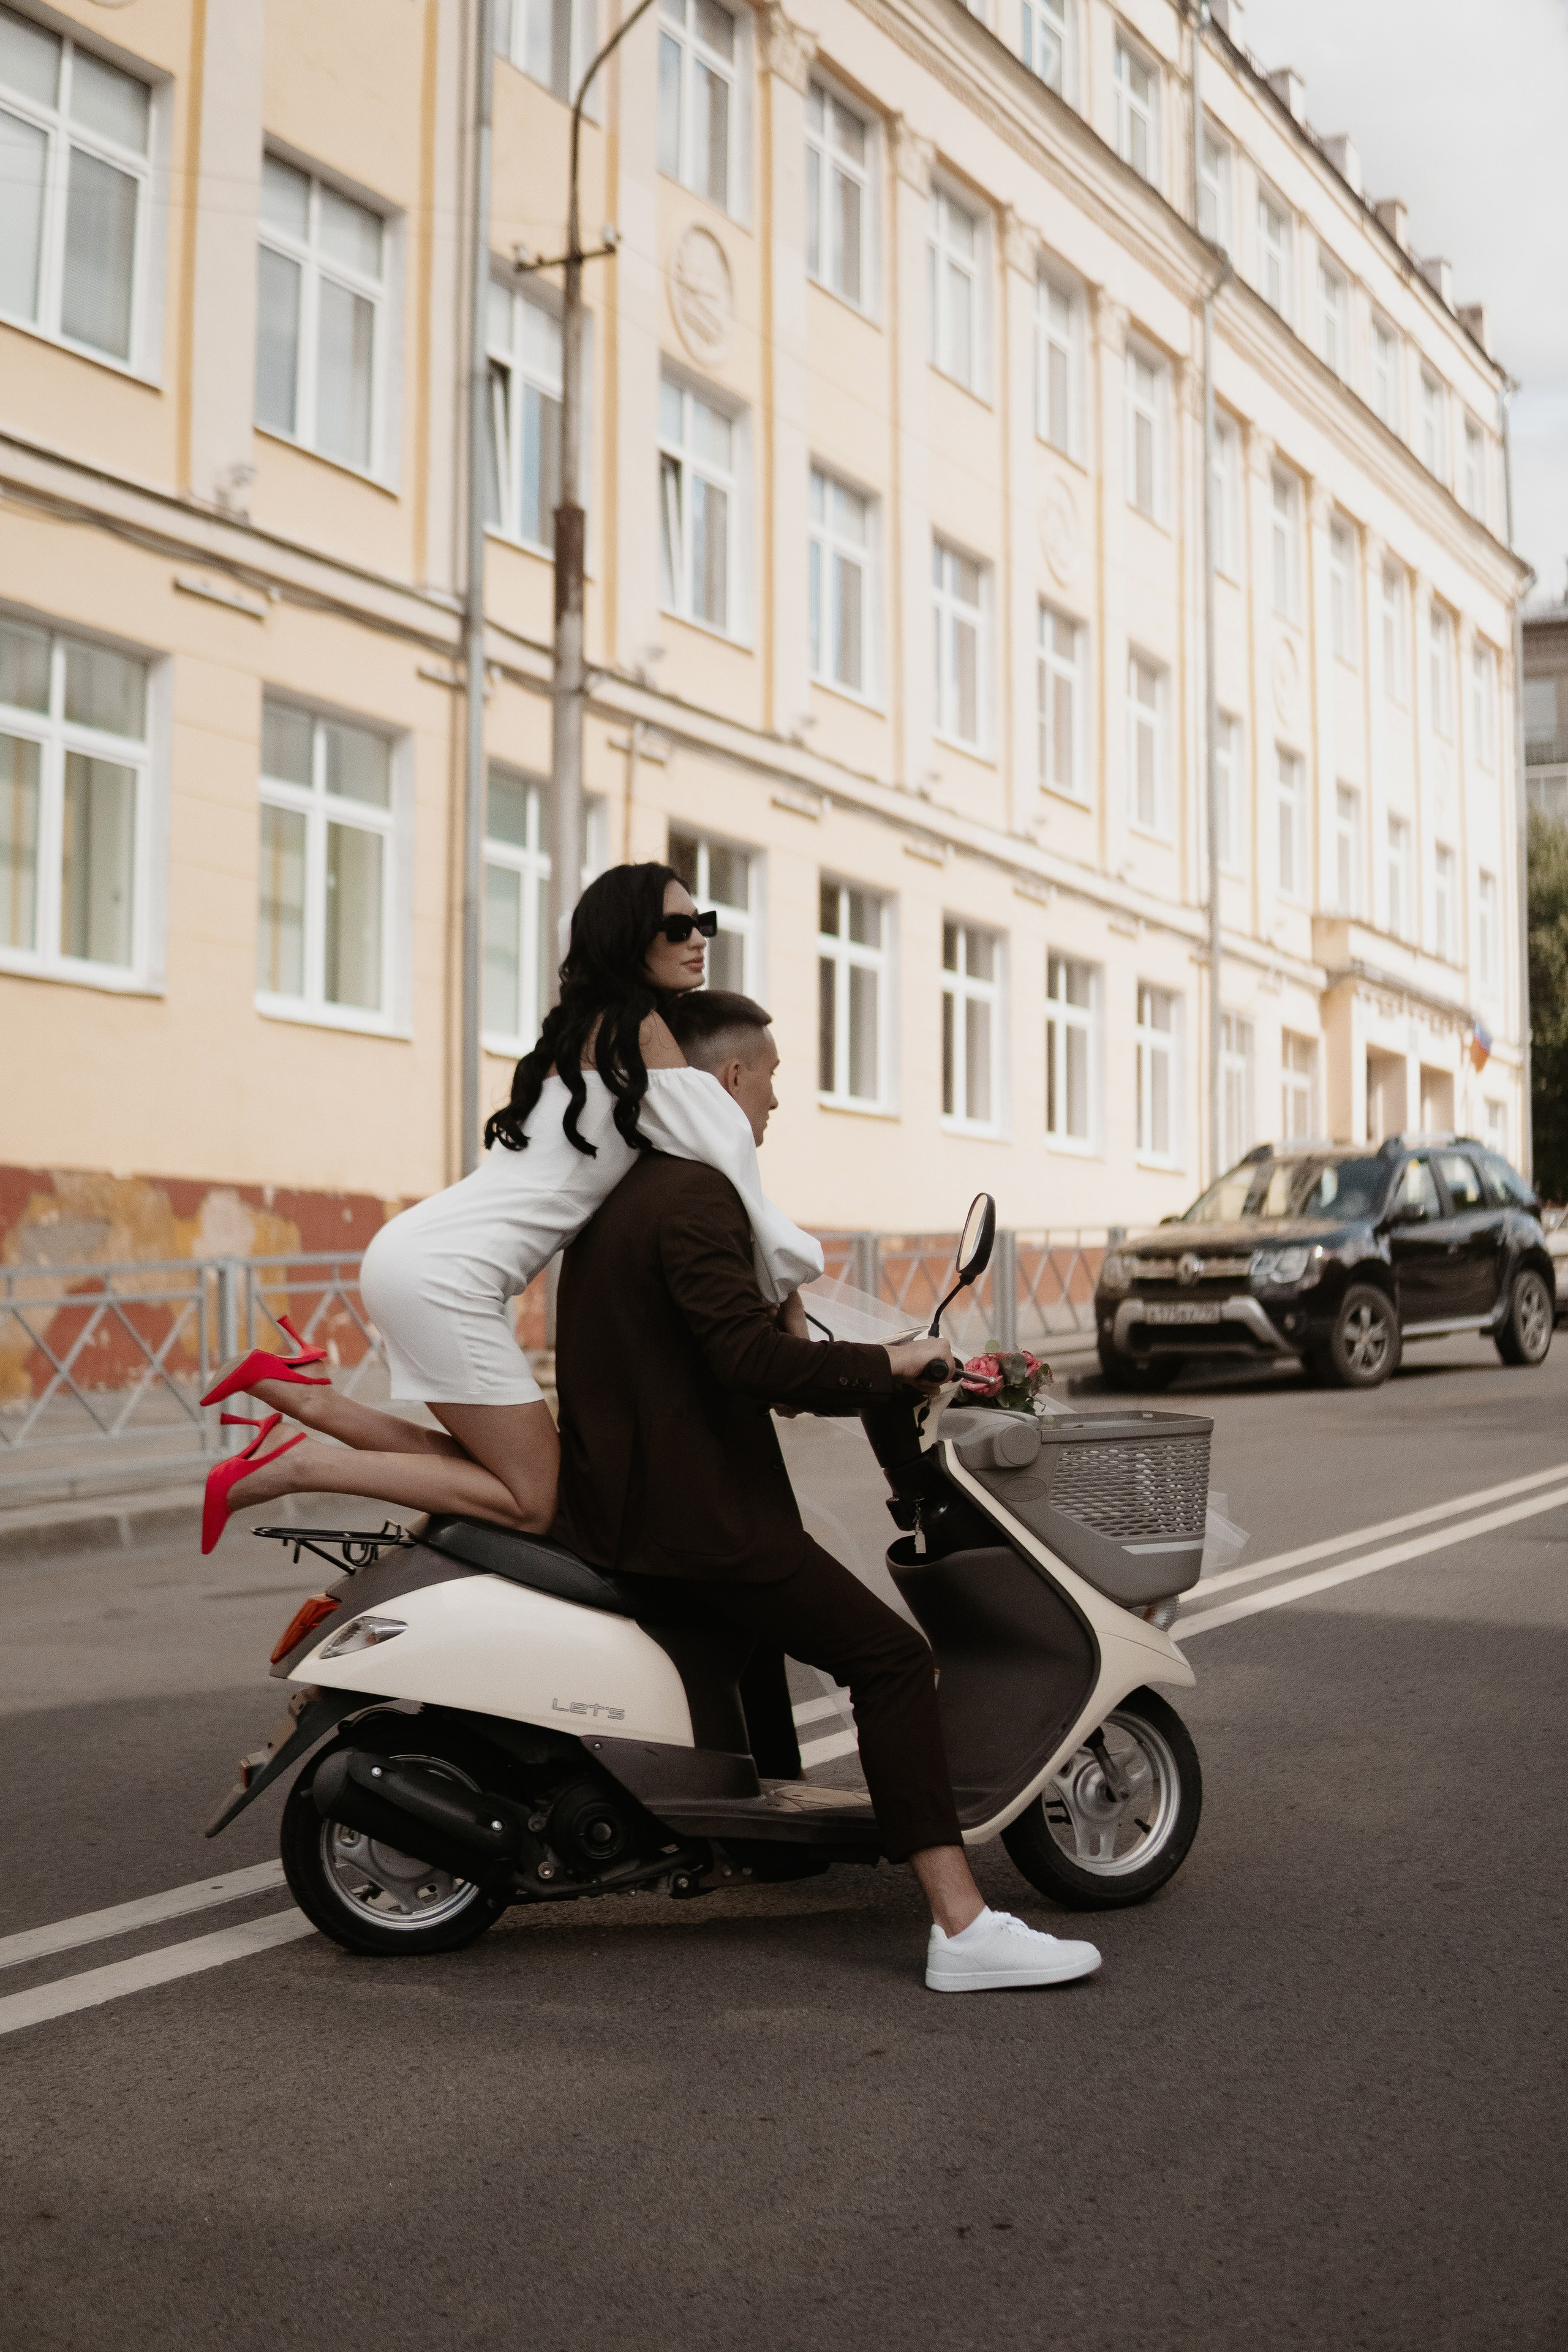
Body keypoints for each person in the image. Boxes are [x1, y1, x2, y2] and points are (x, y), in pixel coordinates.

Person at [551, 994, 1103, 1994]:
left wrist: (858, 1362)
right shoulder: (698, 1197)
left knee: (757, 1643)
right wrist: (893, 1365)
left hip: (638, 1506)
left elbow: (728, 1357)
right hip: (696, 1519)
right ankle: (961, 1922)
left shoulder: (634, 1193)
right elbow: (747, 1362)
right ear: (725, 1082)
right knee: (891, 1660)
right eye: (769, 1077)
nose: (777, 1101)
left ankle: (770, 1841)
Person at [196, 864, 822, 1553]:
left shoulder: (592, 1027)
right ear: (625, 939)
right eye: (677, 928)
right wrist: (787, 1284)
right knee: (534, 1500)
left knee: (509, 1474)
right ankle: (297, 1467)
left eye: (703, 924)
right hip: (447, 1277)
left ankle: (307, 1402)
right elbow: (727, 1152)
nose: (698, 940)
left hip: (425, 1256)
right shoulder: (636, 1029)